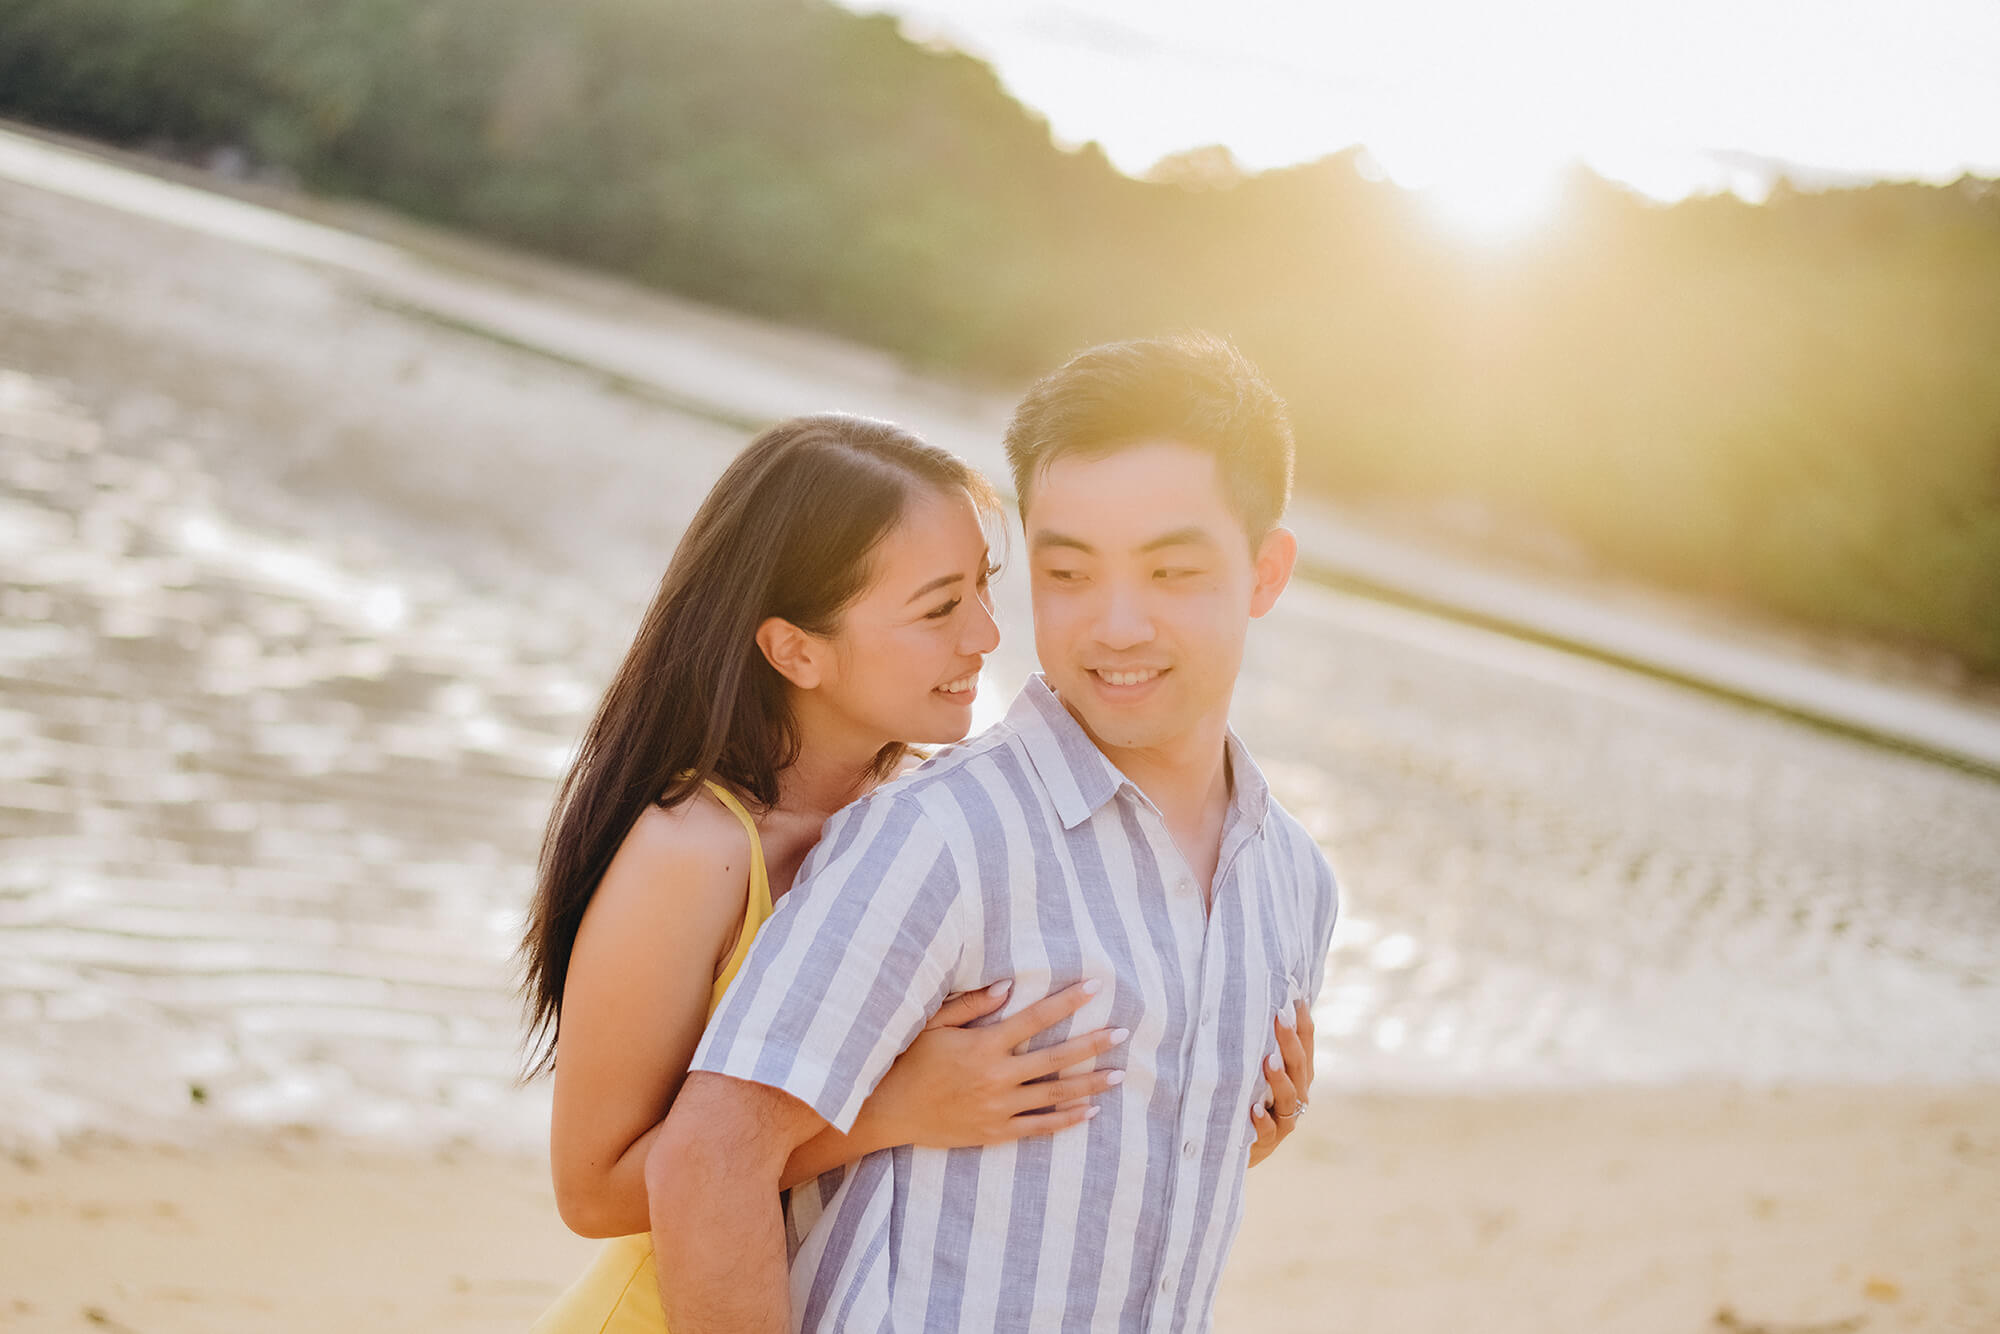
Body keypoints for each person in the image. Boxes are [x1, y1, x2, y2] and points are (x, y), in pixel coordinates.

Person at [648, 333, 1338, 1332]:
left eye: (1170, 572)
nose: (1114, 624)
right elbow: (706, 1157)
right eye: (1067, 572)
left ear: (1264, 573)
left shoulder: (1292, 883)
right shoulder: (937, 837)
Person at [519, 414, 1172, 1332]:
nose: (986, 634)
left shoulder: (930, 824)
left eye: (984, 588)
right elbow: (592, 1193)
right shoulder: (691, 854)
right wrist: (886, 1112)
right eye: (939, 607)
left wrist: (1225, 1084)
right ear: (796, 650)